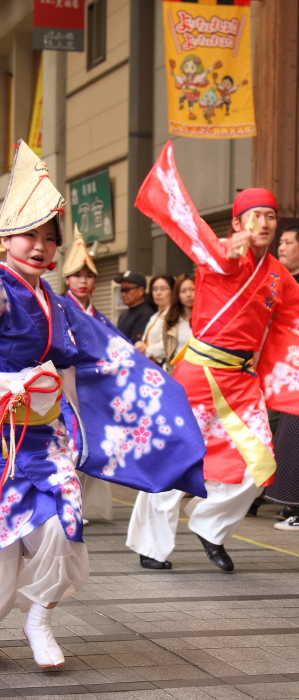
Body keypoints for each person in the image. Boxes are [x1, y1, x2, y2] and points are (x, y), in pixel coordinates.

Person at [0, 140, 206, 673]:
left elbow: (108, 358)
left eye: (50, 239)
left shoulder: (60, 304)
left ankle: (39, 619)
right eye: (29, 235)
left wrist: (167, 399)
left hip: (45, 438)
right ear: (4, 240)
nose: (41, 247)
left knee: (65, 530)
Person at [128, 141, 299, 572]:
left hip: (242, 383)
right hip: (198, 375)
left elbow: (293, 325)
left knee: (258, 464)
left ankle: (209, 526)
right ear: (238, 222)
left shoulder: (278, 276)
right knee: (178, 457)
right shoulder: (220, 254)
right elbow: (200, 240)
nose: (264, 222)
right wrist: (227, 247)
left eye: (271, 216)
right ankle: (152, 544)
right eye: (254, 216)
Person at [62, 224, 114, 522]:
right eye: (77, 275)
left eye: (88, 275)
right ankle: (68, 504)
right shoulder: (57, 307)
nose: (83, 280)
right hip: (64, 387)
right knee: (70, 445)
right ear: (67, 278)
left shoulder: (102, 318)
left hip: (95, 390)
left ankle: (85, 505)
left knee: (93, 447)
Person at [266, 227, 299, 530]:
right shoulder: (276, 281)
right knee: (278, 438)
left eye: (289, 242)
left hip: (293, 374)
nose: (283, 247)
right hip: (277, 374)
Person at [135, 275, 174, 364]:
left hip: (164, 366)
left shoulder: (174, 315)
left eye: (163, 289)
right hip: (150, 363)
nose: (158, 293)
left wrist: (145, 350)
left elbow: (167, 346)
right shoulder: (155, 316)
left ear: (173, 291)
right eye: (155, 289)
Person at [162, 275, 195, 374]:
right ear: (177, 294)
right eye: (183, 291)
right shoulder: (170, 320)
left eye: (192, 289)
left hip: (200, 375)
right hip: (177, 374)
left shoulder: (206, 319)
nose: (188, 295)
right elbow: (167, 352)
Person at [115, 270, 154, 345]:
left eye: (127, 290)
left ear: (141, 291)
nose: (123, 294)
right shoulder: (123, 316)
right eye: (122, 290)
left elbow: (135, 345)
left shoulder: (146, 314)